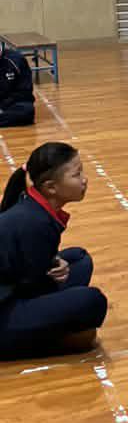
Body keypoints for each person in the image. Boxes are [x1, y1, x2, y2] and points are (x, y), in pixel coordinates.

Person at [0, 142, 107, 360]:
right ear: (51, 188)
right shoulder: (36, 223)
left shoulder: (30, 203)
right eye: (76, 175)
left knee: (79, 259)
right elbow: (34, 289)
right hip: (4, 310)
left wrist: (55, 263)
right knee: (93, 301)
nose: (84, 179)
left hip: (12, 287)